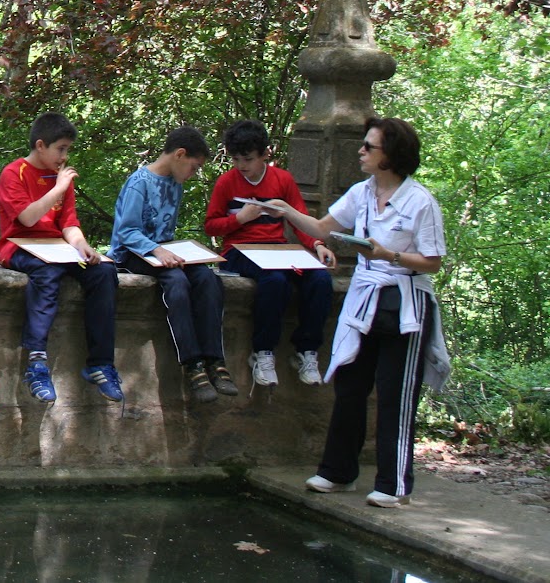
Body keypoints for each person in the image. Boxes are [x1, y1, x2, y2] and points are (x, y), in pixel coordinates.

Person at [266, 117, 450, 508]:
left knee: (396, 394)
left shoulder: (420, 202)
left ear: (391, 154)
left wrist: (388, 254)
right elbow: (322, 228)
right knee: (350, 387)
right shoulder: (361, 192)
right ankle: (338, 472)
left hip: (405, 303)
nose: (361, 151)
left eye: (370, 146)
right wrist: (287, 211)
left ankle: (393, 484)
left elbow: (432, 262)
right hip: (365, 300)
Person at [0, 112, 121, 403]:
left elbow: (68, 223)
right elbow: (27, 218)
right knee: (47, 272)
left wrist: (82, 245)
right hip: (20, 247)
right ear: (41, 145)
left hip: (58, 249)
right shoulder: (14, 173)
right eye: (60, 149)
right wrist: (58, 189)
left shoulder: (60, 179)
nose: (64, 157)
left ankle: (101, 363)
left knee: (104, 273)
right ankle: (37, 361)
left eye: (67, 150)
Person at [109, 125, 237, 404]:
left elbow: (165, 230)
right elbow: (127, 232)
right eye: (194, 166)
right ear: (179, 154)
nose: (193, 173)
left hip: (162, 252)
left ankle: (215, 359)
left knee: (208, 279)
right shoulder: (139, 182)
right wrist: (156, 250)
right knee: (176, 282)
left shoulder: (175, 184)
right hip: (133, 254)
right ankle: (192, 364)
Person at [204, 120, 336, 388]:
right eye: (236, 159)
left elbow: (300, 220)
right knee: (275, 281)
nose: (242, 165)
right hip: (239, 250)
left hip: (277, 248)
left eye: (248, 159)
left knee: (320, 280)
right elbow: (211, 226)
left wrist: (318, 245)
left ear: (265, 154)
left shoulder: (282, 179)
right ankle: (263, 352)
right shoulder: (227, 182)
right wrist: (240, 218)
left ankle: (306, 351)